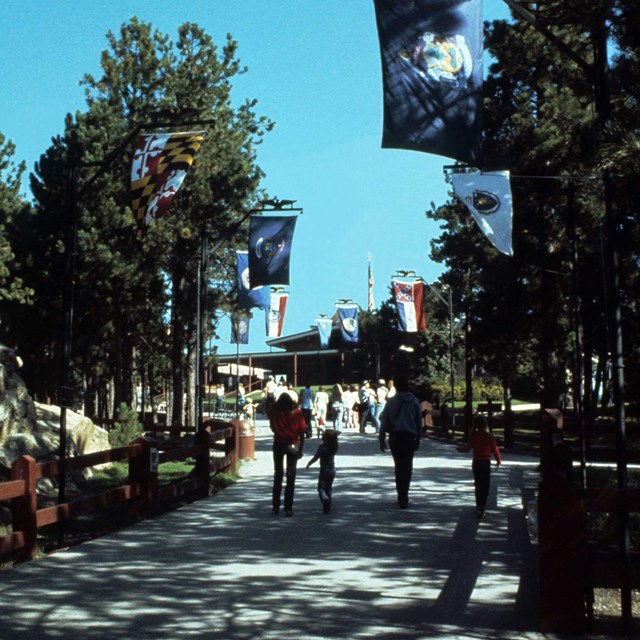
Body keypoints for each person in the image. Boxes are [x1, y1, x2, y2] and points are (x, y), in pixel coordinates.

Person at [379, 375, 422, 509]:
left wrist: (381, 438)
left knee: (398, 466)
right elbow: (418, 422)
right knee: (407, 466)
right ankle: (405, 495)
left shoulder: (391, 402)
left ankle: (400, 495)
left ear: (396, 387)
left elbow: (384, 420)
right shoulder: (414, 401)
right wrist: (418, 438)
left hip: (395, 437)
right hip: (409, 437)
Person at [269, 393, 307, 516]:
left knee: (278, 474)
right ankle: (288, 507)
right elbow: (302, 432)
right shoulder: (297, 413)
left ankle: (275, 506)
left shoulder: (275, 412)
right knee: (291, 477)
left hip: (279, 444)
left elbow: (272, 428)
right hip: (292, 445)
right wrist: (301, 449)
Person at [457, 414, 502, 518]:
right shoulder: (489, 436)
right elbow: (495, 450)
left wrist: (460, 449)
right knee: (485, 485)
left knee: (478, 484)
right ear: (485, 424)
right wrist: (498, 460)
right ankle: (482, 507)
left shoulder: (474, 436)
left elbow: (467, 449)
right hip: (485, 462)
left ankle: (478, 506)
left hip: (476, 463)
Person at [306, 428, 339, 513]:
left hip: (324, 469)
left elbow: (316, 457)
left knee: (321, 488)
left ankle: (325, 500)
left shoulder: (322, 447)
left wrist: (309, 463)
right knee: (329, 487)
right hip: (332, 469)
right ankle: (328, 505)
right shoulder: (334, 447)